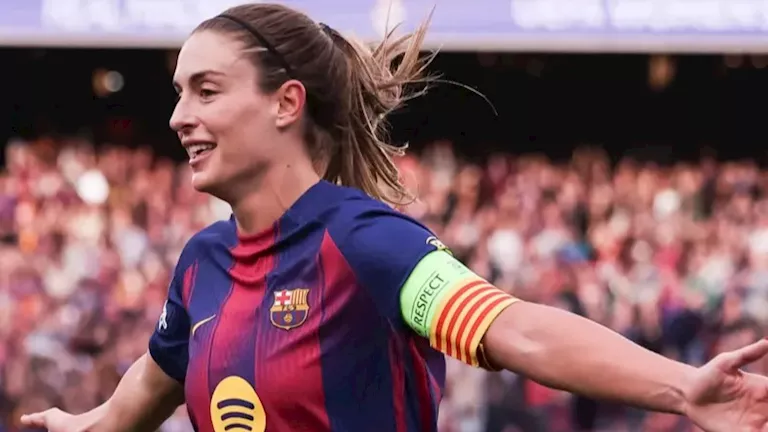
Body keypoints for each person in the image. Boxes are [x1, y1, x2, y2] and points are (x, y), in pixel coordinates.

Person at [19, 3, 768, 432]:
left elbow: (513, 328)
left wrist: (682, 388)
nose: (179, 116)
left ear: (286, 103)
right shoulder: (200, 263)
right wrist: (85, 424)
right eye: (179, 92)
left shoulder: (363, 241)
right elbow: (153, 381)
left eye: (206, 91)